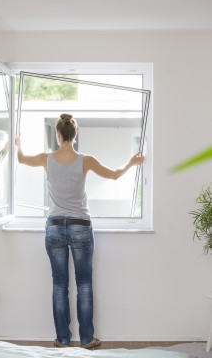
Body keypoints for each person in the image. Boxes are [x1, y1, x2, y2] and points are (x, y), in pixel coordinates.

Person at [15, 113, 144, 349]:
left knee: (59, 284)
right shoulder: (86, 160)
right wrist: (131, 163)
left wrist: (18, 144)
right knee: (83, 283)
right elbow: (115, 175)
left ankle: (63, 341)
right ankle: (87, 340)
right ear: (75, 135)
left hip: (54, 227)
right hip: (81, 227)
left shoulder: (46, 159)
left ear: (58, 134)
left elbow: (21, 159)